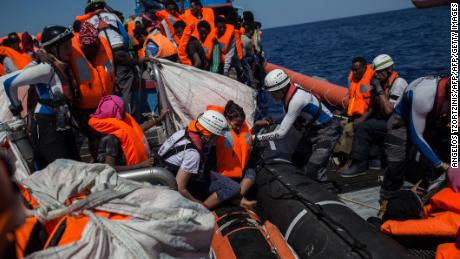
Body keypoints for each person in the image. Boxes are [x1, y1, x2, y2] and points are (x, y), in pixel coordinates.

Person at [1, 25, 81, 168]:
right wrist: (16, 110)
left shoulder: (63, 66)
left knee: (76, 167)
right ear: (54, 48)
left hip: (62, 123)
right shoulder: (46, 68)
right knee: (60, 171)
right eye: (65, 46)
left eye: (70, 45)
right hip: (47, 127)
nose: (70, 50)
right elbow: (9, 83)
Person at [255, 69, 342, 190]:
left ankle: (329, 191)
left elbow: (281, 133)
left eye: (273, 92)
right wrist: (270, 121)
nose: (272, 95)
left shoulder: (297, 100)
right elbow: (288, 115)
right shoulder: (291, 90)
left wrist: (256, 138)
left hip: (328, 131)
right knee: (297, 161)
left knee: (314, 169)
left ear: (283, 88)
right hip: (312, 130)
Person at [157, 110, 255, 210]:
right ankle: (206, 209)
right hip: (182, 181)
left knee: (229, 184)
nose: (217, 140)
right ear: (208, 135)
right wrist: (197, 205)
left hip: (169, 171)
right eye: (216, 137)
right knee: (233, 187)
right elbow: (180, 188)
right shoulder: (193, 154)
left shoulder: (184, 132)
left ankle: (240, 200)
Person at [380, 75, 451, 205]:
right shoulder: (423, 96)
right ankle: (386, 200)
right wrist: (441, 164)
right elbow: (416, 136)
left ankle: (431, 188)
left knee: (442, 148)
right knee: (396, 165)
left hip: (430, 118)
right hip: (400, 121)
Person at [341, 54, 408, 177]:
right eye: (375, 72)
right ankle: (374, 159)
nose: (375, 75)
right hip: (387, 120)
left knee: (364, 127)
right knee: (366, 122)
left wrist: (378, 88)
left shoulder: (398, 84)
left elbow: (389, 111)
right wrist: (362, 117)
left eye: (378, 72)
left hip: (398, 124)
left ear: (389, 70)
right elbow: (374, 106)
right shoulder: (382, 82)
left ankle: (359, 163)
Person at [77, 0, 143, 116]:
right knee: (126, 87)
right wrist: (126, 53)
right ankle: (130, 116)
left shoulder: (87, 22)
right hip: (120, 51)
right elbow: (125, 37)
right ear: (103, 6)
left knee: (108, 86)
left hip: (102, 58)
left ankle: (111, 115)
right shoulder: (113, 16)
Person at [69, 22, 115, 159]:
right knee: (93, 137)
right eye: (88, 48)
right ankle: (98, 160)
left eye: (95, 47)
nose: (92, 50)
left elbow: (113, 65)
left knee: (110, 135)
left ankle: (110, 160)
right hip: (85, 108)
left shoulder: (103, 46)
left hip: (105, 102)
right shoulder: (71, 50)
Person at [89, 95, 167, 171]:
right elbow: (110, 168)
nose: (125, 111)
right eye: (122, 108)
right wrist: (140, 165)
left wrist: (159, 118)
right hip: (127, 176)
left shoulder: (118, 125)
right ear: (117, 113)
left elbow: (139, 129)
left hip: (138, 166)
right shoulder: (111, 138)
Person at [208, 102, 259, 198]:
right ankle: (236, 199)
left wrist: (255, 125)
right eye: (236, 125)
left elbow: (245, 140)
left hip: (238, 171)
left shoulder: (239, 131)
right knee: (233, 186)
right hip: (221, 173)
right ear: (227, 119)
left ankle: (238, 198)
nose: (239, 128)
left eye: (241, 125)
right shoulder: (219, 130)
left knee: (251, 172)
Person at [215, 16, 244, 81]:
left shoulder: (231, 36)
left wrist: (225, 70)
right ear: (216, 27)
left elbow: (229, 55)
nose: (222, 29)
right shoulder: (213, 36)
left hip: (230, 63)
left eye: (224, 27)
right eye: (220, 27)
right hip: (217, 64)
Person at [347, 57, 375, 121]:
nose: (354, 72)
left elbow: (374, 105)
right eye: (352, 70)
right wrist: (342, 113)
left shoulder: (372, 80)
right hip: (355, 116)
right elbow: (351, 100)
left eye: (356, 70)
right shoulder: (353, 80)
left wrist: (362, 119)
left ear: (364, 68)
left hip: (368, 116)